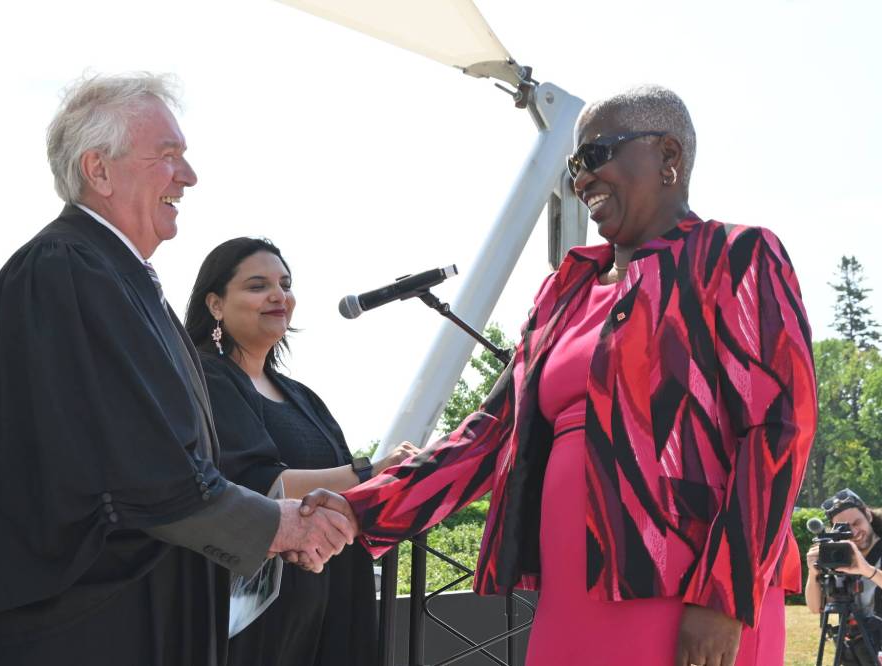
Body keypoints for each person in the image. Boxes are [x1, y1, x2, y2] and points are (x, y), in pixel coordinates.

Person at [299, 84, 817, 666]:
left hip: (686, 594)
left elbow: (779, 431)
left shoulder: (735, 257)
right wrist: (361, 507)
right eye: (573, 165)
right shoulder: (562, 291)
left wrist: (724, 595)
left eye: (595, 156)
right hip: (571, 593)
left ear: (668, 156)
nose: (580, 180)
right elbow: (489, 433)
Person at [0, 73, 354, 666]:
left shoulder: (112, 278)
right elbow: (143, 471)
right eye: (168, 156)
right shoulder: (64, 269)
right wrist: (276, 526)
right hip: (69, 639)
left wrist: (275, 526)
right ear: (99, 170)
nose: (189, 176)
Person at [184, 237, 419, 665]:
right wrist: (369, 471)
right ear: (215, 304)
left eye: (285, 283)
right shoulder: (203, 380)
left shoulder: (302, 397)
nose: (278, 295)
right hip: (254, 610)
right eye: (257, 286)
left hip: (329, 595)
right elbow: (257, 481)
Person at [805, 488, 882, 617]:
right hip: (852, 635)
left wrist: (867, 570)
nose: (854, 532)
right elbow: (815, 607)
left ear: (868, 515)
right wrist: (813, 574)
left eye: (857, 523)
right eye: (843, 528)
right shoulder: (837, 556)